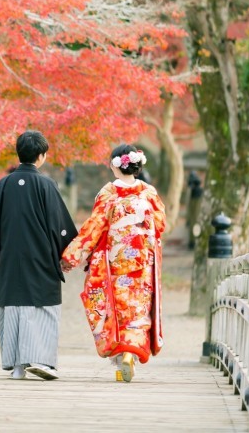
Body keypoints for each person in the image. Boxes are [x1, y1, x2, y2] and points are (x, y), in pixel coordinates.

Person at [0, 130, 77, 381]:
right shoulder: (46, 184)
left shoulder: (3, 184)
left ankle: (17, 367)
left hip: (9, 258)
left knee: (13, 308)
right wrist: (67, 254)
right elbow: (59, 226)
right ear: (41, 156)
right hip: (40, 258)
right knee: (40, 307)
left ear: (18, 154)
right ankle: (40, 360)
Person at [61, 143, 166, 383]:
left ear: (113, 165)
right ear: (138, 166)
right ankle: (131, 354)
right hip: (142, 267)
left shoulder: (108, 194)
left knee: (113, 311)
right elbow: (160, 225)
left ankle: (121, 360)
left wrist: (71, 256)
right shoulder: (149, 193)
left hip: (113, 265)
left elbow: (94, 228)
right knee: (138, 311)